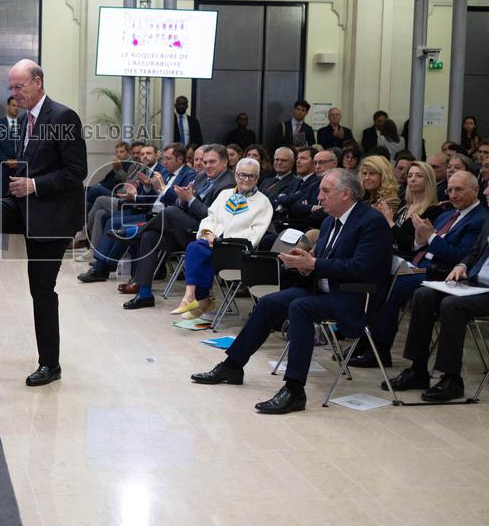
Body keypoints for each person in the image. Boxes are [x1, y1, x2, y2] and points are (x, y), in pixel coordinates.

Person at [191, 169, 393, 414]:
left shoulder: (371, 222)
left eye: (325, 192)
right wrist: (305, 264)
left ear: (346, 194)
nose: (319, 198)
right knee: (269, 303)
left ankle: (295, 389)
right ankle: (232, 365)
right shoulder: (330, 221)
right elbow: (326, 263)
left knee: (300, 308)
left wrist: (314, 264)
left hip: (356, 297)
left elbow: (361, 268)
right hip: (323, 291)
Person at [0, 60, 87, 387]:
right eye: (11, 87)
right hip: (24, 203)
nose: (14, 93)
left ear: (38, 82)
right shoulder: (24, 120)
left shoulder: (63, 117)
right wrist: (20, 174)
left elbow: (76, 172)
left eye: (19, 86)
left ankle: (50, 365)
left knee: (41, 290)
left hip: (52, 214)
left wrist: (34, 184)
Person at [351, 171, 487, 368]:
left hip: (443, 273)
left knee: (396, 282)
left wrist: (431, 238)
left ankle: (380, 348)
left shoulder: (479, 219)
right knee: (376, 274)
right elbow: (420, 247)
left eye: (459, 190)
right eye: (450, 190)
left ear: (475, 190)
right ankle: (365, 340)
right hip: (419, 265)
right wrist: (421, 240)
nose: (453, 195)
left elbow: (460, 257)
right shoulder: (447, 214)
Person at [386, 213, 489, 402]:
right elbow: (474, 252)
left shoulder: (479, 218)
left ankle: (452, 378)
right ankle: (418, 370)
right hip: (474, 282)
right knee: (423, 294)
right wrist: (462, 265)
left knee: (452, 305)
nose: (488, 191)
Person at [153, 158, 272, 317]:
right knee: (194, 247)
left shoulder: (263, 202)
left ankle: (201, 300)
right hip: (213, 244)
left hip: (235, 251)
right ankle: (193, 297)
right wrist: (208, 234)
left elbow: (255, 234)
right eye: (242, 175)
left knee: (198, 251)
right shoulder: (225, 194)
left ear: (257, 178)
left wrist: (222, 242)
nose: (246, 180)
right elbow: (210, 218)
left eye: (252, 176)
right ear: (235, 175)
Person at [122, 145, 236, 296]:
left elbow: (212, 217)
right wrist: (184, 199)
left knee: (170, 212)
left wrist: (190, 199)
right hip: (183, 229)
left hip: (204, 235)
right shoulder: (202, 176)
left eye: (212, 162)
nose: (206, 166)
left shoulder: (228, 184)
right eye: (205, 161)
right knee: (150, 236)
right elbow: (178, 202)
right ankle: (144, 294)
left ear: (225, 162)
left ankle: (137, 231)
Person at [80, 143, 196, 283]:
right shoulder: (165, 172)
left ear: (180, 159)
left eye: (168, 159)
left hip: (166, 218)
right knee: (113, 220)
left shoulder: (188, 175)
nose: (164, 162)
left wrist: (161, 188)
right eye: (164, 158)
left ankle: (103, 267)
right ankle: (103, 265)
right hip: (150, 212)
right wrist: (147, 186)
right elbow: (153, 196)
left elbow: (179, 201)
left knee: (119, 223)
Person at [376, 161, 444, 260]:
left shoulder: (433, 210)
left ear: (428, 180)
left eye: (419, 176)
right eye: (410, 175)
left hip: (407, 262)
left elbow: (412, 246)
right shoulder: (404, 205)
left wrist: (390, 222)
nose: (412, 179)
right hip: (390, 256)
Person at [0, 96, 21, 201]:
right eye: (13, 105)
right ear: (8, 107)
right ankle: (2, 217)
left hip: (20, 166)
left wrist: (19, 161)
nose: (16, 108)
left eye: (17, 106)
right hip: (3, 166)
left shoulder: (24, 124)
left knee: (19, 196)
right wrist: (6, 160)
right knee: (2, 196)